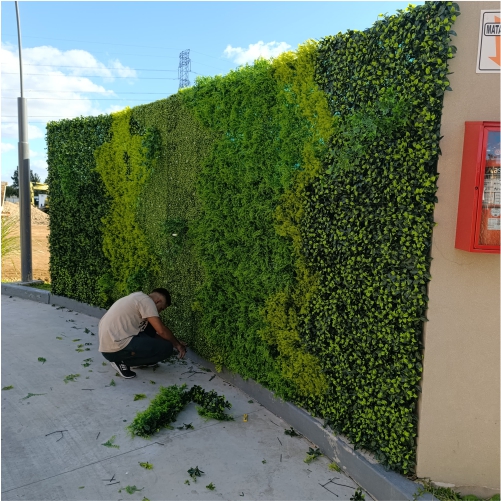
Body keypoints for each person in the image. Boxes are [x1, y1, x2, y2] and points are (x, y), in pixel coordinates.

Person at [98, 288, 187, 379]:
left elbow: (154, 333)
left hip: (110, 343)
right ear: (158, 301)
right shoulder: (147, 302)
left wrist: (173, 341)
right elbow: (161, 330)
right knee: (167, 348)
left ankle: (137, 359)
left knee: (151, 327)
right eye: (161, 308)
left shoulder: (138, 297)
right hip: (114, 349)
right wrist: (177, 345)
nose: (159, 312)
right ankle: (122, 361)